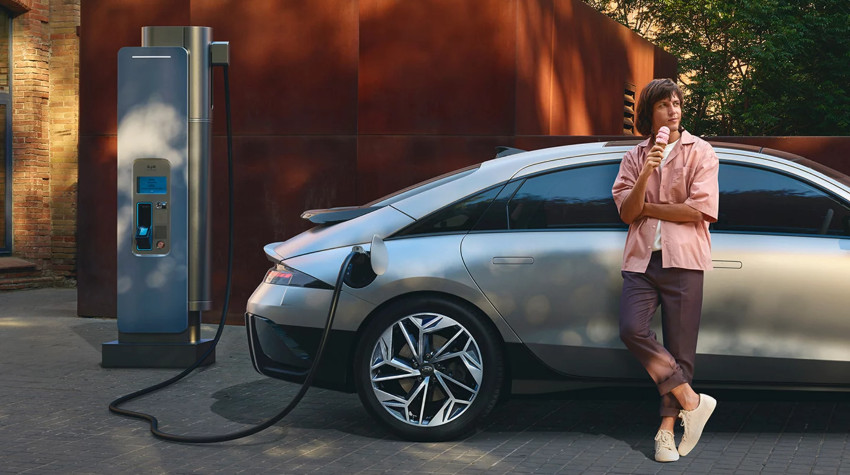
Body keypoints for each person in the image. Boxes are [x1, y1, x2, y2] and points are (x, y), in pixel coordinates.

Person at [611, 78, 719, 463]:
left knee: (680, 350)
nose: (673, 110)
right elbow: (626, 212)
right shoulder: (636, 156)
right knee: (631, 329)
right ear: (649, 114)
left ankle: (666, 432)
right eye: (663, 105)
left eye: (676, 103)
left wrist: (649, 207)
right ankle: (692, 400)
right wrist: (646, 173)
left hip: (684, 261)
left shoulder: (701, 151)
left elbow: (698, 210)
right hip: (641, 261)